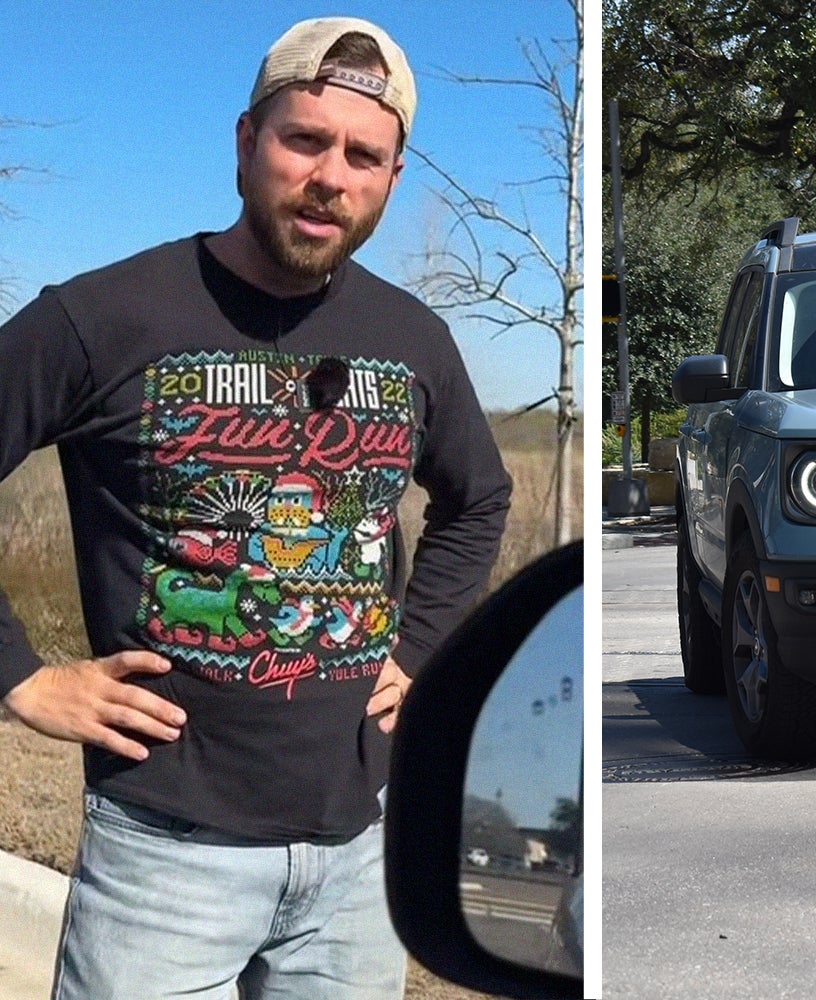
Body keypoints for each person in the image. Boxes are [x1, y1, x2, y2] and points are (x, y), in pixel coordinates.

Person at [0, 18, 512, 998]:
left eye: (365, 155)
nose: (332, 175)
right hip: (161, 864)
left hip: (359, 859)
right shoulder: (100, 318)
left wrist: (419, 647)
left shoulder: (413, 339)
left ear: (392, 180)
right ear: (246, 141)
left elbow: (479, 497)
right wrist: (19, 676)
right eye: (304, 140)